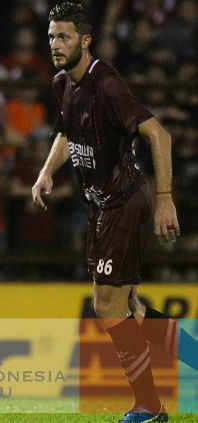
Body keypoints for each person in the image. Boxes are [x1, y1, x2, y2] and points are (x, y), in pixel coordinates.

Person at [32, 3, 188, 422]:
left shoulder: (108, 85)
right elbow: (68, 131)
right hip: (100, 206)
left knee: (107, 308)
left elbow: (160, 135)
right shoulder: (63, 83)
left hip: (123, 202)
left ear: (85, 41)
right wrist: (46, 172)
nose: (55, 45)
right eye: (51, 37)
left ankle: (149, 407)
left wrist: (165, 197)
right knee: (132, 308)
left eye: (63, 37)